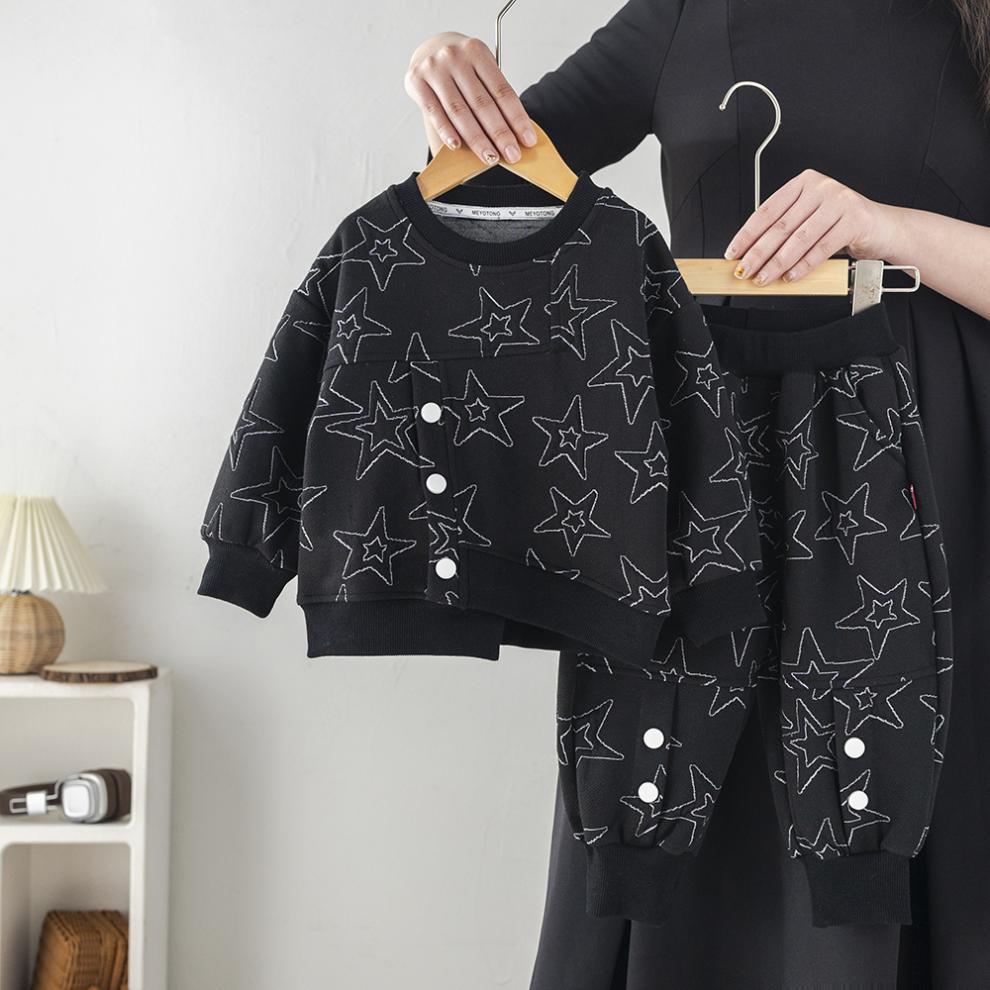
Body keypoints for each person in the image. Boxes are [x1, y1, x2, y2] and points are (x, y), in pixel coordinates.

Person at [405, 2, 990, 988]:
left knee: (912, 818)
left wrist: (889, 229)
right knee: (678, 812)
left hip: (941, 506)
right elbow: (486, 198)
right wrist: (445, 78)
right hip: (712, 503)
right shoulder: (687, 10)